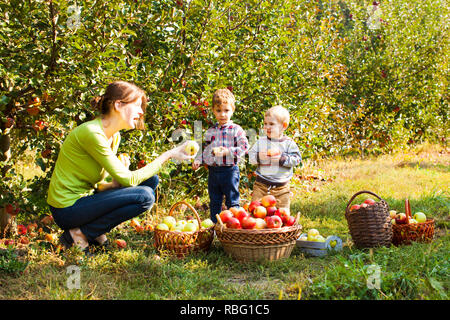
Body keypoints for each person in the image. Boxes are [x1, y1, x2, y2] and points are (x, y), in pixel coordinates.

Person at [47, 81, 194, 253]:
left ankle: (93, 232)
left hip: (85, 201)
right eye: (137, 105)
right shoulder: (92, 133)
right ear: (118, 104)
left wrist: (115, 180)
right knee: (145, 196)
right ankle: (81, 234)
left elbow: (101, 185)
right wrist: (169, 154)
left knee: (150, 181)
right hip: (67, 209)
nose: (141, 111)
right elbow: (129, 179)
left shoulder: (114, 136)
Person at [192, 89, 249, 222]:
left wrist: (227, 151)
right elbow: (205, 149)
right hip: (214, 172)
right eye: (218, 111)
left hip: (230, 170)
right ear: (213, 110)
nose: (222, 114)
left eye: (226, 110)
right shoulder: (211, 131)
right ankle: (215, 227)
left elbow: (244, 148)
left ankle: (233, 228)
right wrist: (198, 160)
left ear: (232, 110)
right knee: (215, 201)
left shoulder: (236, 130)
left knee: (232, 201)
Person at [248, 105, 301, 215]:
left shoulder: (288, 143)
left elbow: (297, 160)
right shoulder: (261, 142)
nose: (267, 127)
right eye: (265, 124)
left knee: (283, 216)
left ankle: (282, 232)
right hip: (261, 186)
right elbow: (250, 157)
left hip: (281, 189)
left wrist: (281, 159)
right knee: (255, 214)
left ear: (283, 126)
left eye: (271, 124)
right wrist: (259, 157)